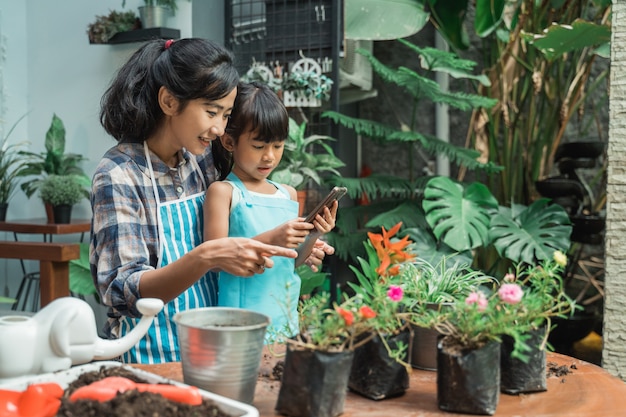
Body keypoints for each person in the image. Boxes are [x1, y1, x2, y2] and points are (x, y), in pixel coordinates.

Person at [90, 38, 328, 364]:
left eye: (226, 115)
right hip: (150, 355)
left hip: (213, 348)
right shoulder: (119, 174)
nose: (219, 129)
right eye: (211, 112)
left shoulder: (202, 160)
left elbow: (241, 228)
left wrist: (293, 247)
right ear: (169, 102)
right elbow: (124, 291)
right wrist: (207, 255)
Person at [203, 81, 338, 340]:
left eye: (277, 146)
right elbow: (216, 260)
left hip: (284, 318)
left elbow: (292, 261)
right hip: (240, 322)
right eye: (258, 146)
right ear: (230, 141)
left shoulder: (286, 193)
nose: (269, 156)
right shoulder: (224, 192)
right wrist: (273, 239)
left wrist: (313, 235)